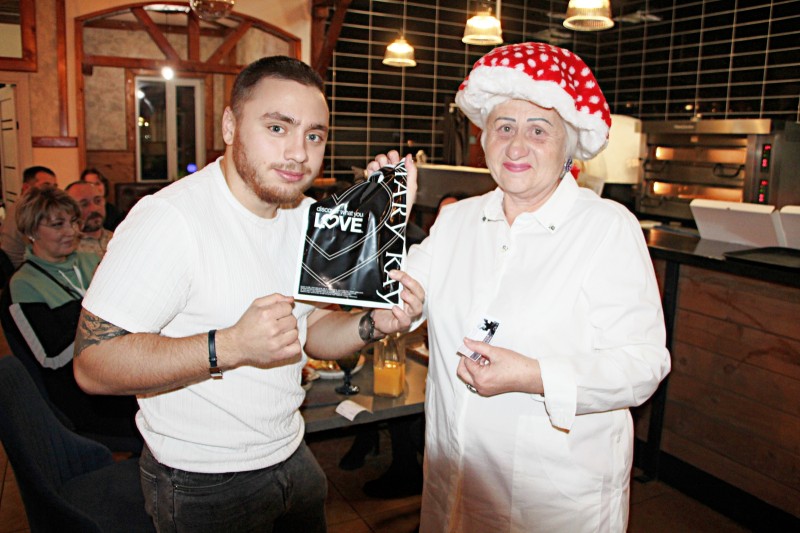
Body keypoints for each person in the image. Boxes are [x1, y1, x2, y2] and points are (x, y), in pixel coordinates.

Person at [72, 56, 424, 532]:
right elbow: (92, 364)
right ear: (230, 126)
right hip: (202, 480)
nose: (298, 153)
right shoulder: (169, 220)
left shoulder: (305, 216)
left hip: (292, 453)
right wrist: (230, 345)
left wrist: (371, 323)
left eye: (314, 136)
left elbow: (312, 331)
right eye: (277, 128)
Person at [381, 42, 671, 532]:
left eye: (538, 130)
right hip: (453, 488)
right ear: (485, 138)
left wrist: (536, 376)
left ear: (568, 147)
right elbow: (397, 300)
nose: (517, 146)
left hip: (555, 504)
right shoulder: (456, 221)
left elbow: (643, 364)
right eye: (504, 127)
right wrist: (383, 220)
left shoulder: (606, 228)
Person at [6, 187, 139, 440]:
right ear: (32, 232)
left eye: (73, 222)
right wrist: (101, 313)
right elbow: (51, 357)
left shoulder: (91, 260)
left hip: (117, 372)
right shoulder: (24, 284)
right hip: (80, 395)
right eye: (58, 224)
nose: (71, 231)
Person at [1, 166, 58, 268]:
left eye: (55, 187)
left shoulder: (18, 205)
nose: (52, 191)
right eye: (46, 186)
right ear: (26, 188)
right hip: (21, 267)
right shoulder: (27, 210)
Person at [65, 180, 113, 259]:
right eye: (84, 204)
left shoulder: (118, 239)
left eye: (98, 201)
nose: (94, 208)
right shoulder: (67, 248)